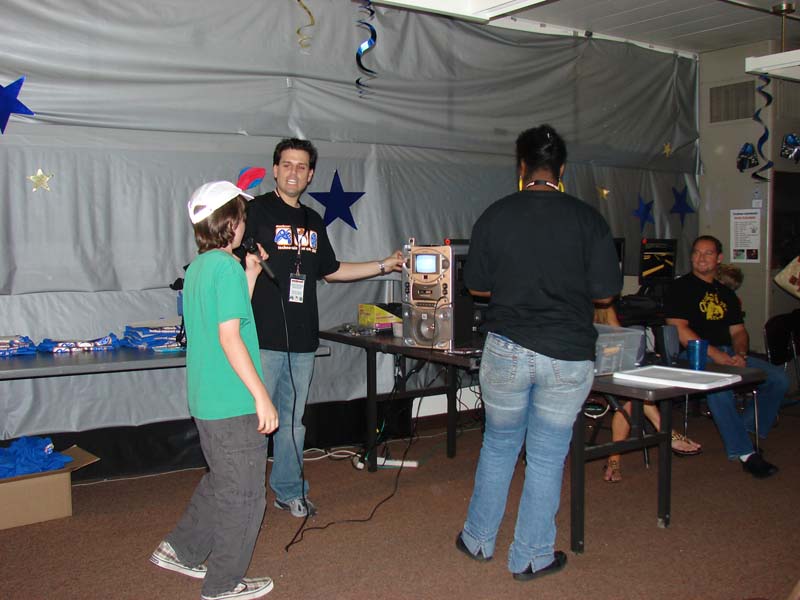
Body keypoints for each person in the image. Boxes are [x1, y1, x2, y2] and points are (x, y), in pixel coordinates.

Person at [456, 124, 621, 581]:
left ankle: (477, 539)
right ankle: (531, 557)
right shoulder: (588, 219)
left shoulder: (495, 214)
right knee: (547, 455)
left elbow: (477, 286)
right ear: (561, 169)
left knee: (498, 444)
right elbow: (606, 293)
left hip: (506, 349)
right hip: (567, 354)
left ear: (522, 166)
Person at [243, 138, 404, 518]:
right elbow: (232, 262)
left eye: (301, 166)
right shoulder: (255, 211)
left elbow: (332, 271)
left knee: (293, 422)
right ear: (275, 169)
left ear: (310, 174)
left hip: (302, 340)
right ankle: (243, 500)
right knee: (252, 422)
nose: (293, 172)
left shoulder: (313, 220)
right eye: (287, 164)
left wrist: (384, 264)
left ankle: (288, 490)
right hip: (260, 338)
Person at [150, 181, 279, 600]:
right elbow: (230, 338)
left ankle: (181, 549)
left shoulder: (202, 268)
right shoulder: (224, 268)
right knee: (245, 496)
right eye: (241, 216)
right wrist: (261, 395)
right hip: (232, 402)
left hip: (207, 399)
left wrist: (251, 276)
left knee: (223, 479)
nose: (244, 223)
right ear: (231, 222)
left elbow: (229, 319)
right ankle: (222, 584)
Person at [664, 235, 789, 479]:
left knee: (778, 379)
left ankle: (744, 431)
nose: (701, 258)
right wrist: (716, 355)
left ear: (719, 258)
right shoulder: (679, 288)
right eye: (697, 252)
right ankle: (746, 453)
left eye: (708, 253)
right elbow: (679, 329)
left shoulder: (726, 294)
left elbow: (739, 332)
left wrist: (740, 354)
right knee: (719, 386)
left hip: (728, 353)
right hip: (693, 354)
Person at [594, 305, 701, 483]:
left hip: (606, 367)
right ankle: (667, 431)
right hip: (575, 371)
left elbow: (620, 340)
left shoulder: (604, 306)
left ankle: (614, 459)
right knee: (633, 393)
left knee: (631, 398)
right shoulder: (569, 302)